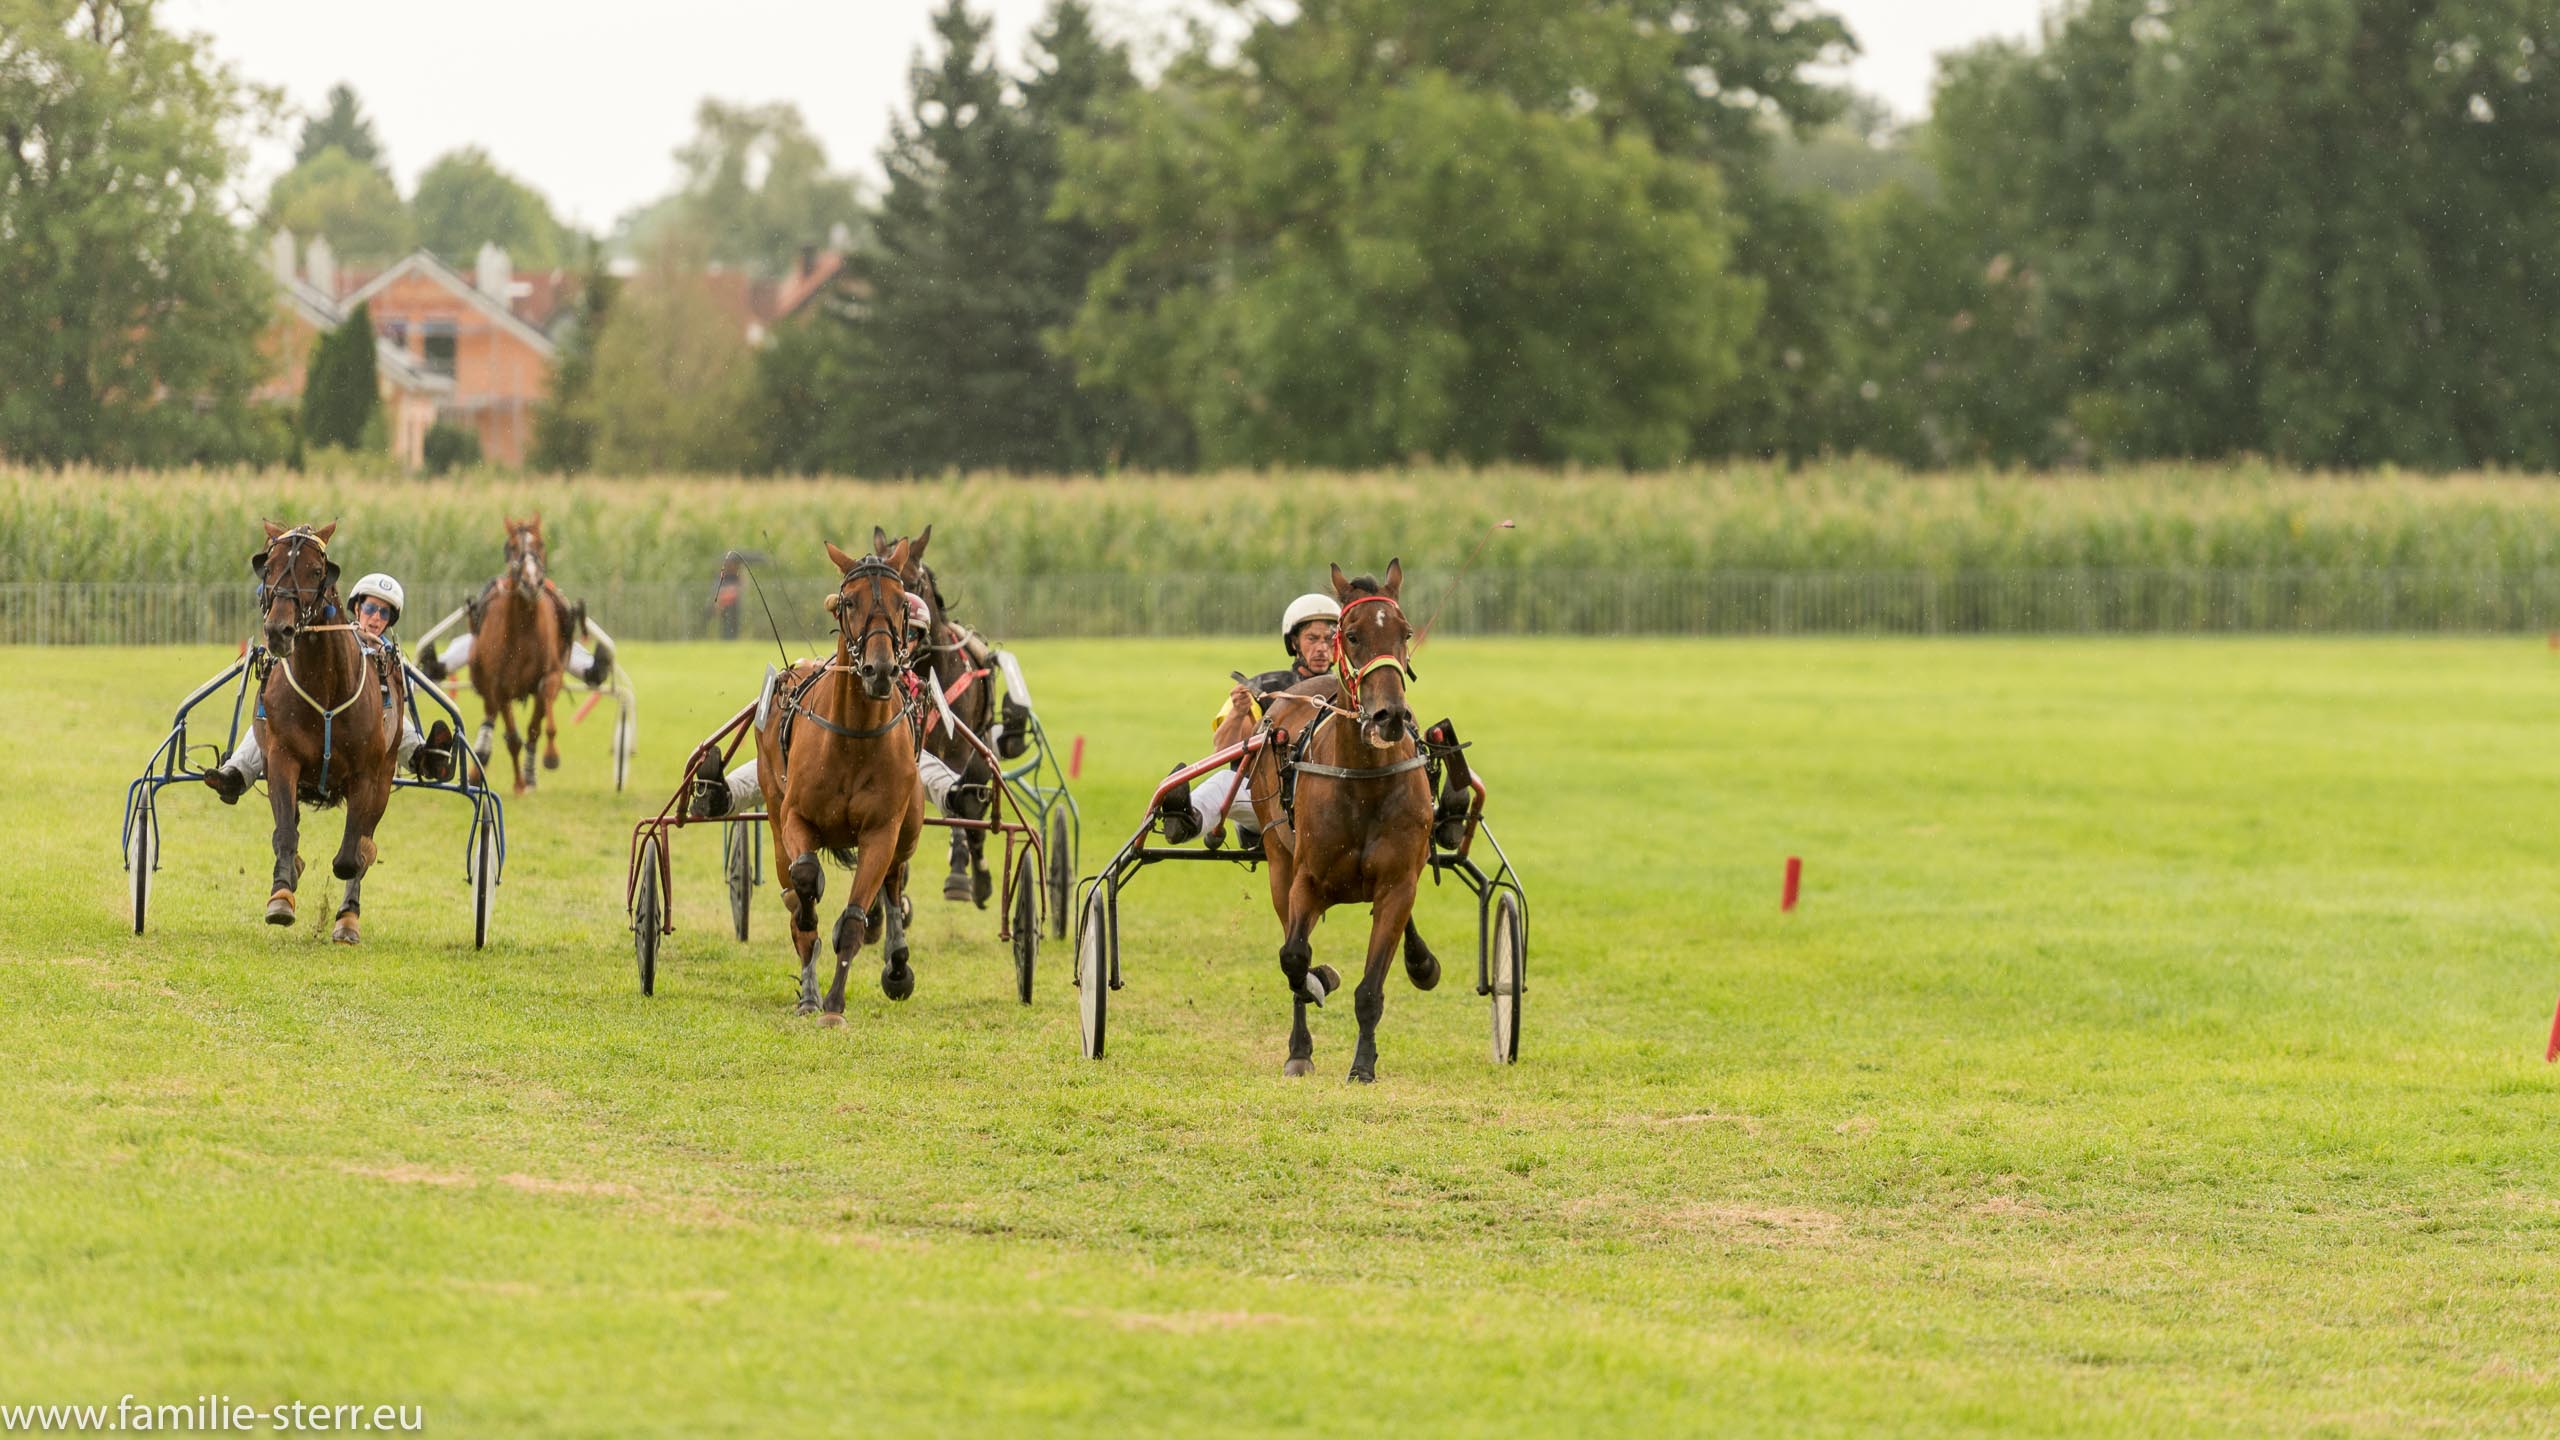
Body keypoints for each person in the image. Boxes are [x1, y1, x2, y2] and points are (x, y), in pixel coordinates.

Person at [684, 589, 985, 820]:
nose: (903, 641)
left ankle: (958, 797)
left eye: (910, 635)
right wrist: (806, 668)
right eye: (901, 633)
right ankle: (722, 795)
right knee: (774, 765)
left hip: (888, 762)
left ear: (918, 641)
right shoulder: (845, 664)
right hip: (830, 753)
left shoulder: (912, 682)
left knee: (921, 766)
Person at [204, 573, 454, 802]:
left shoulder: (388, 652)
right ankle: (236, 774)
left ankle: (425, 759)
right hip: (311, 717)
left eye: (384, 613)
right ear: (357, 608)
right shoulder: (338, 637)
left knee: (391, 717)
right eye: (370, 608)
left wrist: (387, 661)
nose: (376, 617)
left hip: (362, 729)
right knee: (272, 717)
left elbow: (407, 689)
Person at [1151, 594, 1342, 846]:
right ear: (1294, 642)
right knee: (1222, 782)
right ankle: (1187, 820)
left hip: (1330, 804)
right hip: (1271, 801)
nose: (1321, 648)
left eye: (1329, 639)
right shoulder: (1261, 687)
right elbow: (1223, 750)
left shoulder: (1348, 694)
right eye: (1312, 638)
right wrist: (1239, 713)